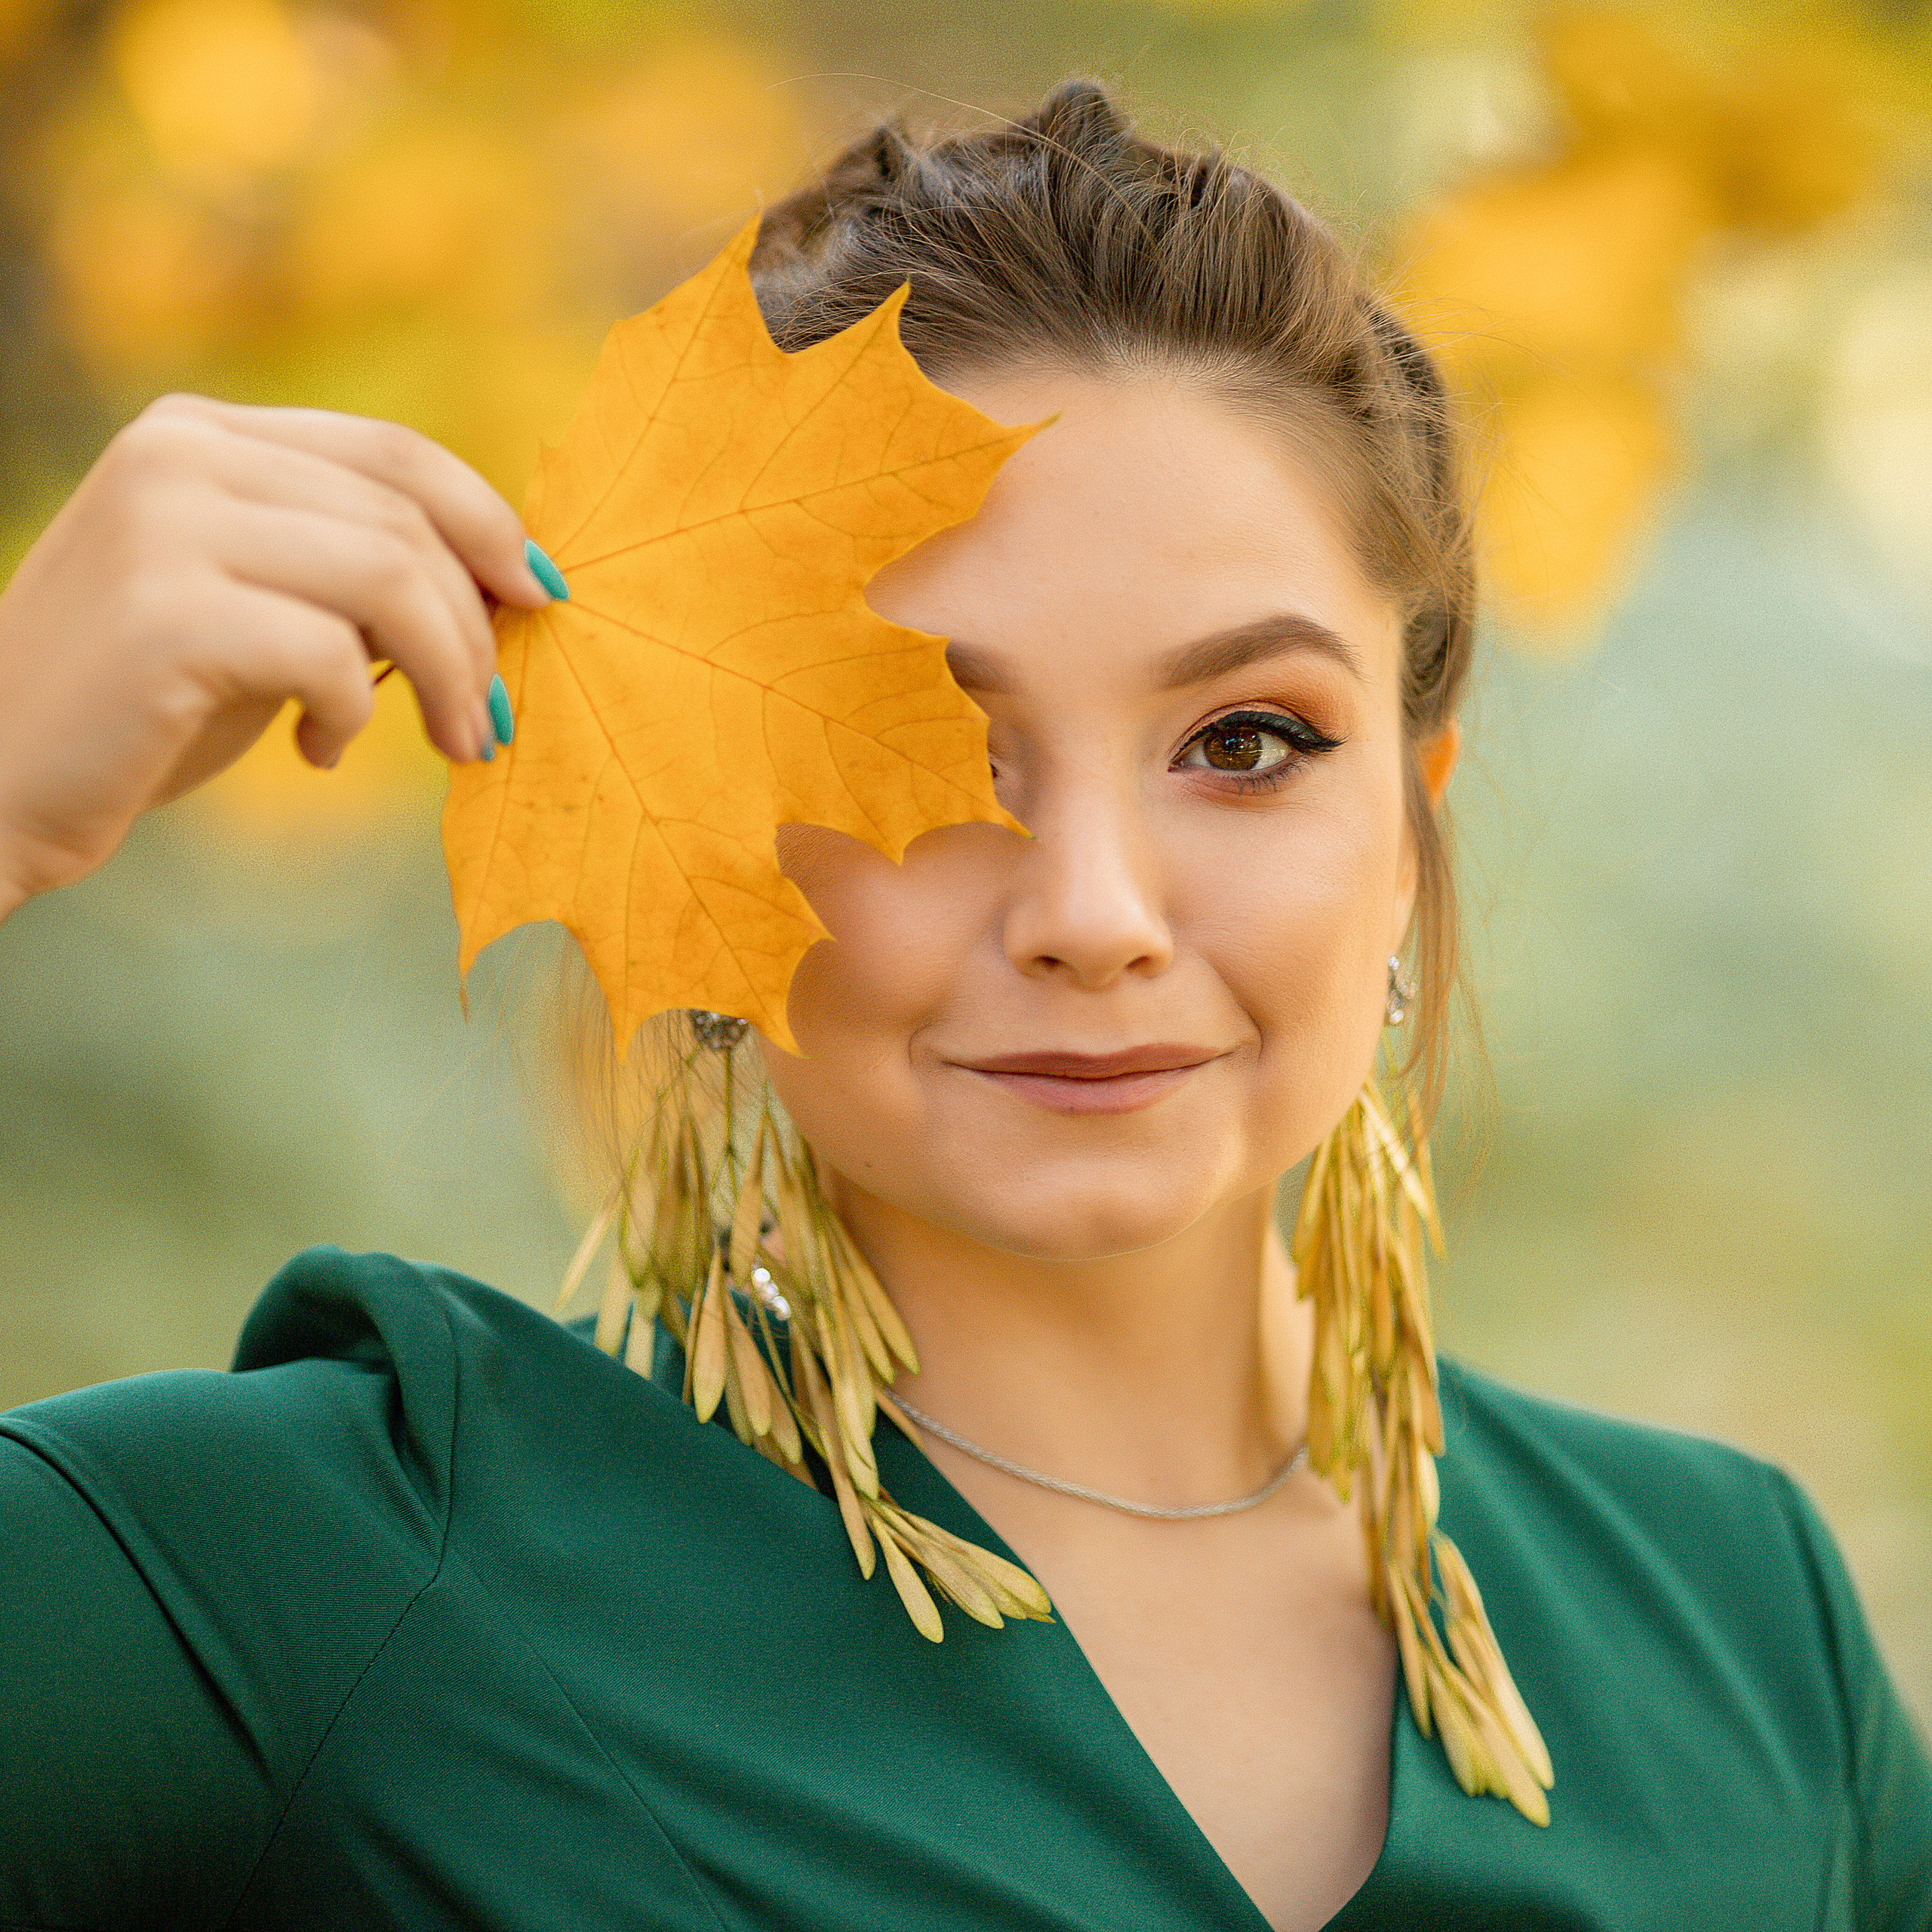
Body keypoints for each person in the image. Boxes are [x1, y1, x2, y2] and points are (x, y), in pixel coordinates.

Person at [1, 79, 1927, 1932]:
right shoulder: (326, 1575)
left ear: (1408, 817)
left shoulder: (1736, 1626)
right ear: (700, 821)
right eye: (925, 744)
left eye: (1244, 739)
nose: (1092, 912)